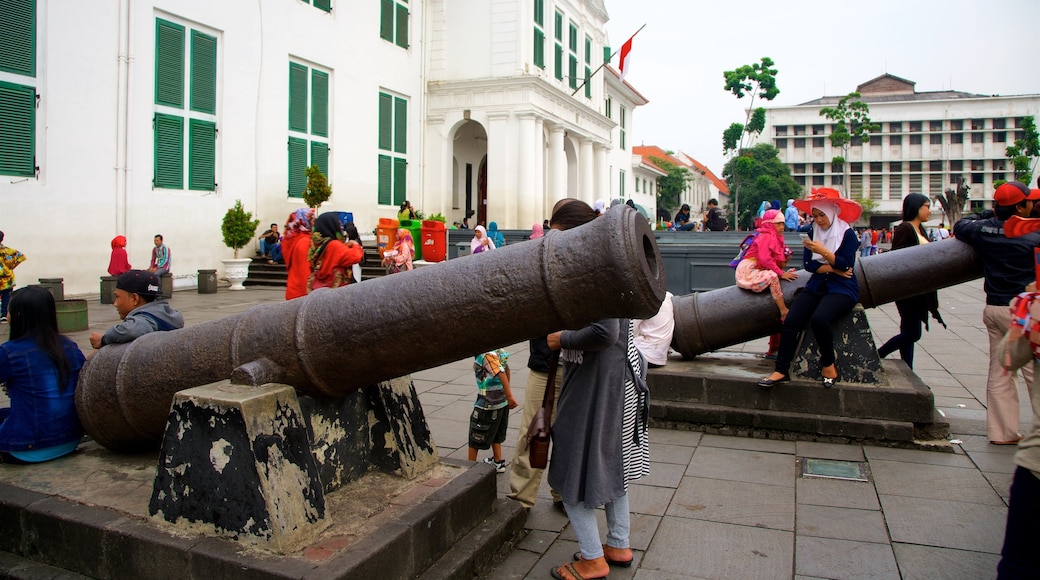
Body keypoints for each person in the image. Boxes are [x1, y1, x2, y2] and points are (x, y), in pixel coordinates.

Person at [545, 199, 650, 580]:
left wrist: (561, 339)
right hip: (613, 380)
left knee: (572, 466)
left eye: (556, 236)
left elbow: (604, 332)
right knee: (609, 464)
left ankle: (591, 557)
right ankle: (617, 543)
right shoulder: (606, 264)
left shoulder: (592, 269)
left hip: (595, 384)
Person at [954, 181, 1040, 445]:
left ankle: (1002, 432)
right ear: (1020, 206)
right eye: (1029, 201)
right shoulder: (1033, 235)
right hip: (1022, 311)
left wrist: (988, 215)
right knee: (1033, 373)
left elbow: (961, 225)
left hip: (994, 307)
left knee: (1000, 371)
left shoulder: (984, 231)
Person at [758, 188, 862, 389]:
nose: (819, 220)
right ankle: (781, 370)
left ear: (832, 212)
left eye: (822, 215)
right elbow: (810, 265)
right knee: (791, 319)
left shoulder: (847, 235)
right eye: (814, 216)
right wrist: (833, 267)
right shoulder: (811, 232)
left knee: (820, 319)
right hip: (817, 285)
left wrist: (823, 252)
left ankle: (828, 364)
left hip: (842, 288)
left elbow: (846, 264)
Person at [0, 286, 86, 463]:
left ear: (18, 316)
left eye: (8, 310)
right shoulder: (71, 347)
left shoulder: (10, 352)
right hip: (69, 440)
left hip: (26, 449)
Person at [877, 194, 947, 369]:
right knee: (913, 334)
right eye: (926, 206)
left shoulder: (920, 229)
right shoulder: (905, 229)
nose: (929, 211)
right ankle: (878, 354)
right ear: (916, 207)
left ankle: (908, 369)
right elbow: (899, 258)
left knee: (908, 333)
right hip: (908, 291)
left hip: (919, 290)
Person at [89, 270, 184, 349]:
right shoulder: (170, 316)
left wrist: (103, 339)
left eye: (117, 297)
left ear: (134, 299)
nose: (115, 304)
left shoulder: (144, 320)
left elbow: (132, 330)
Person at [736, 209, 799, 322]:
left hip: (755, 268)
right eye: (778, 224)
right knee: (772, 276)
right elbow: (765, 259)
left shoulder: (773, 237)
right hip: (748, 270)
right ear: (770, 224)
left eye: (783, 224)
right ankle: (783, 310)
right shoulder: (766, 236)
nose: (782, 227)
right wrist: (781, 273)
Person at [467, 348, 517, 473]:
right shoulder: (499, 351)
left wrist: (510, 395)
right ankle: (498, 461)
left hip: (487, 402)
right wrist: (506, 393)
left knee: (475, 435)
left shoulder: (485, 354)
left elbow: (500, 371)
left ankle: (468, 467)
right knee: (496, 432)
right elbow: (506, 369)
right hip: (501, 402)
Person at [307, 212, 364, 292]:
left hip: (321, 288)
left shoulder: (317, 244)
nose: (340, 226)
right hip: (336, 290)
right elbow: (356, 256)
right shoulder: (334, 245)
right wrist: (355, 245)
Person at [634, 291, 675, 368]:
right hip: (660, 358)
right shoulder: (669, 296)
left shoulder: (647, 300)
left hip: (644, 356)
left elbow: (630, 329)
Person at [282, 208, 314, 300]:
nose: (314, 223)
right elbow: (305, 271)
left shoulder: (294, 240)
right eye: (312, 220)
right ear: (304, 222)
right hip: (301, 295)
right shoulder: (304, 241)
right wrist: (310, 295)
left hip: (294, 291)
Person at [0, 231, 27, 324]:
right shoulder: (8, 251)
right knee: (6, 297)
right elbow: (21, 256)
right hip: (8, 278)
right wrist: (12, 267)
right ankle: (4, 315)